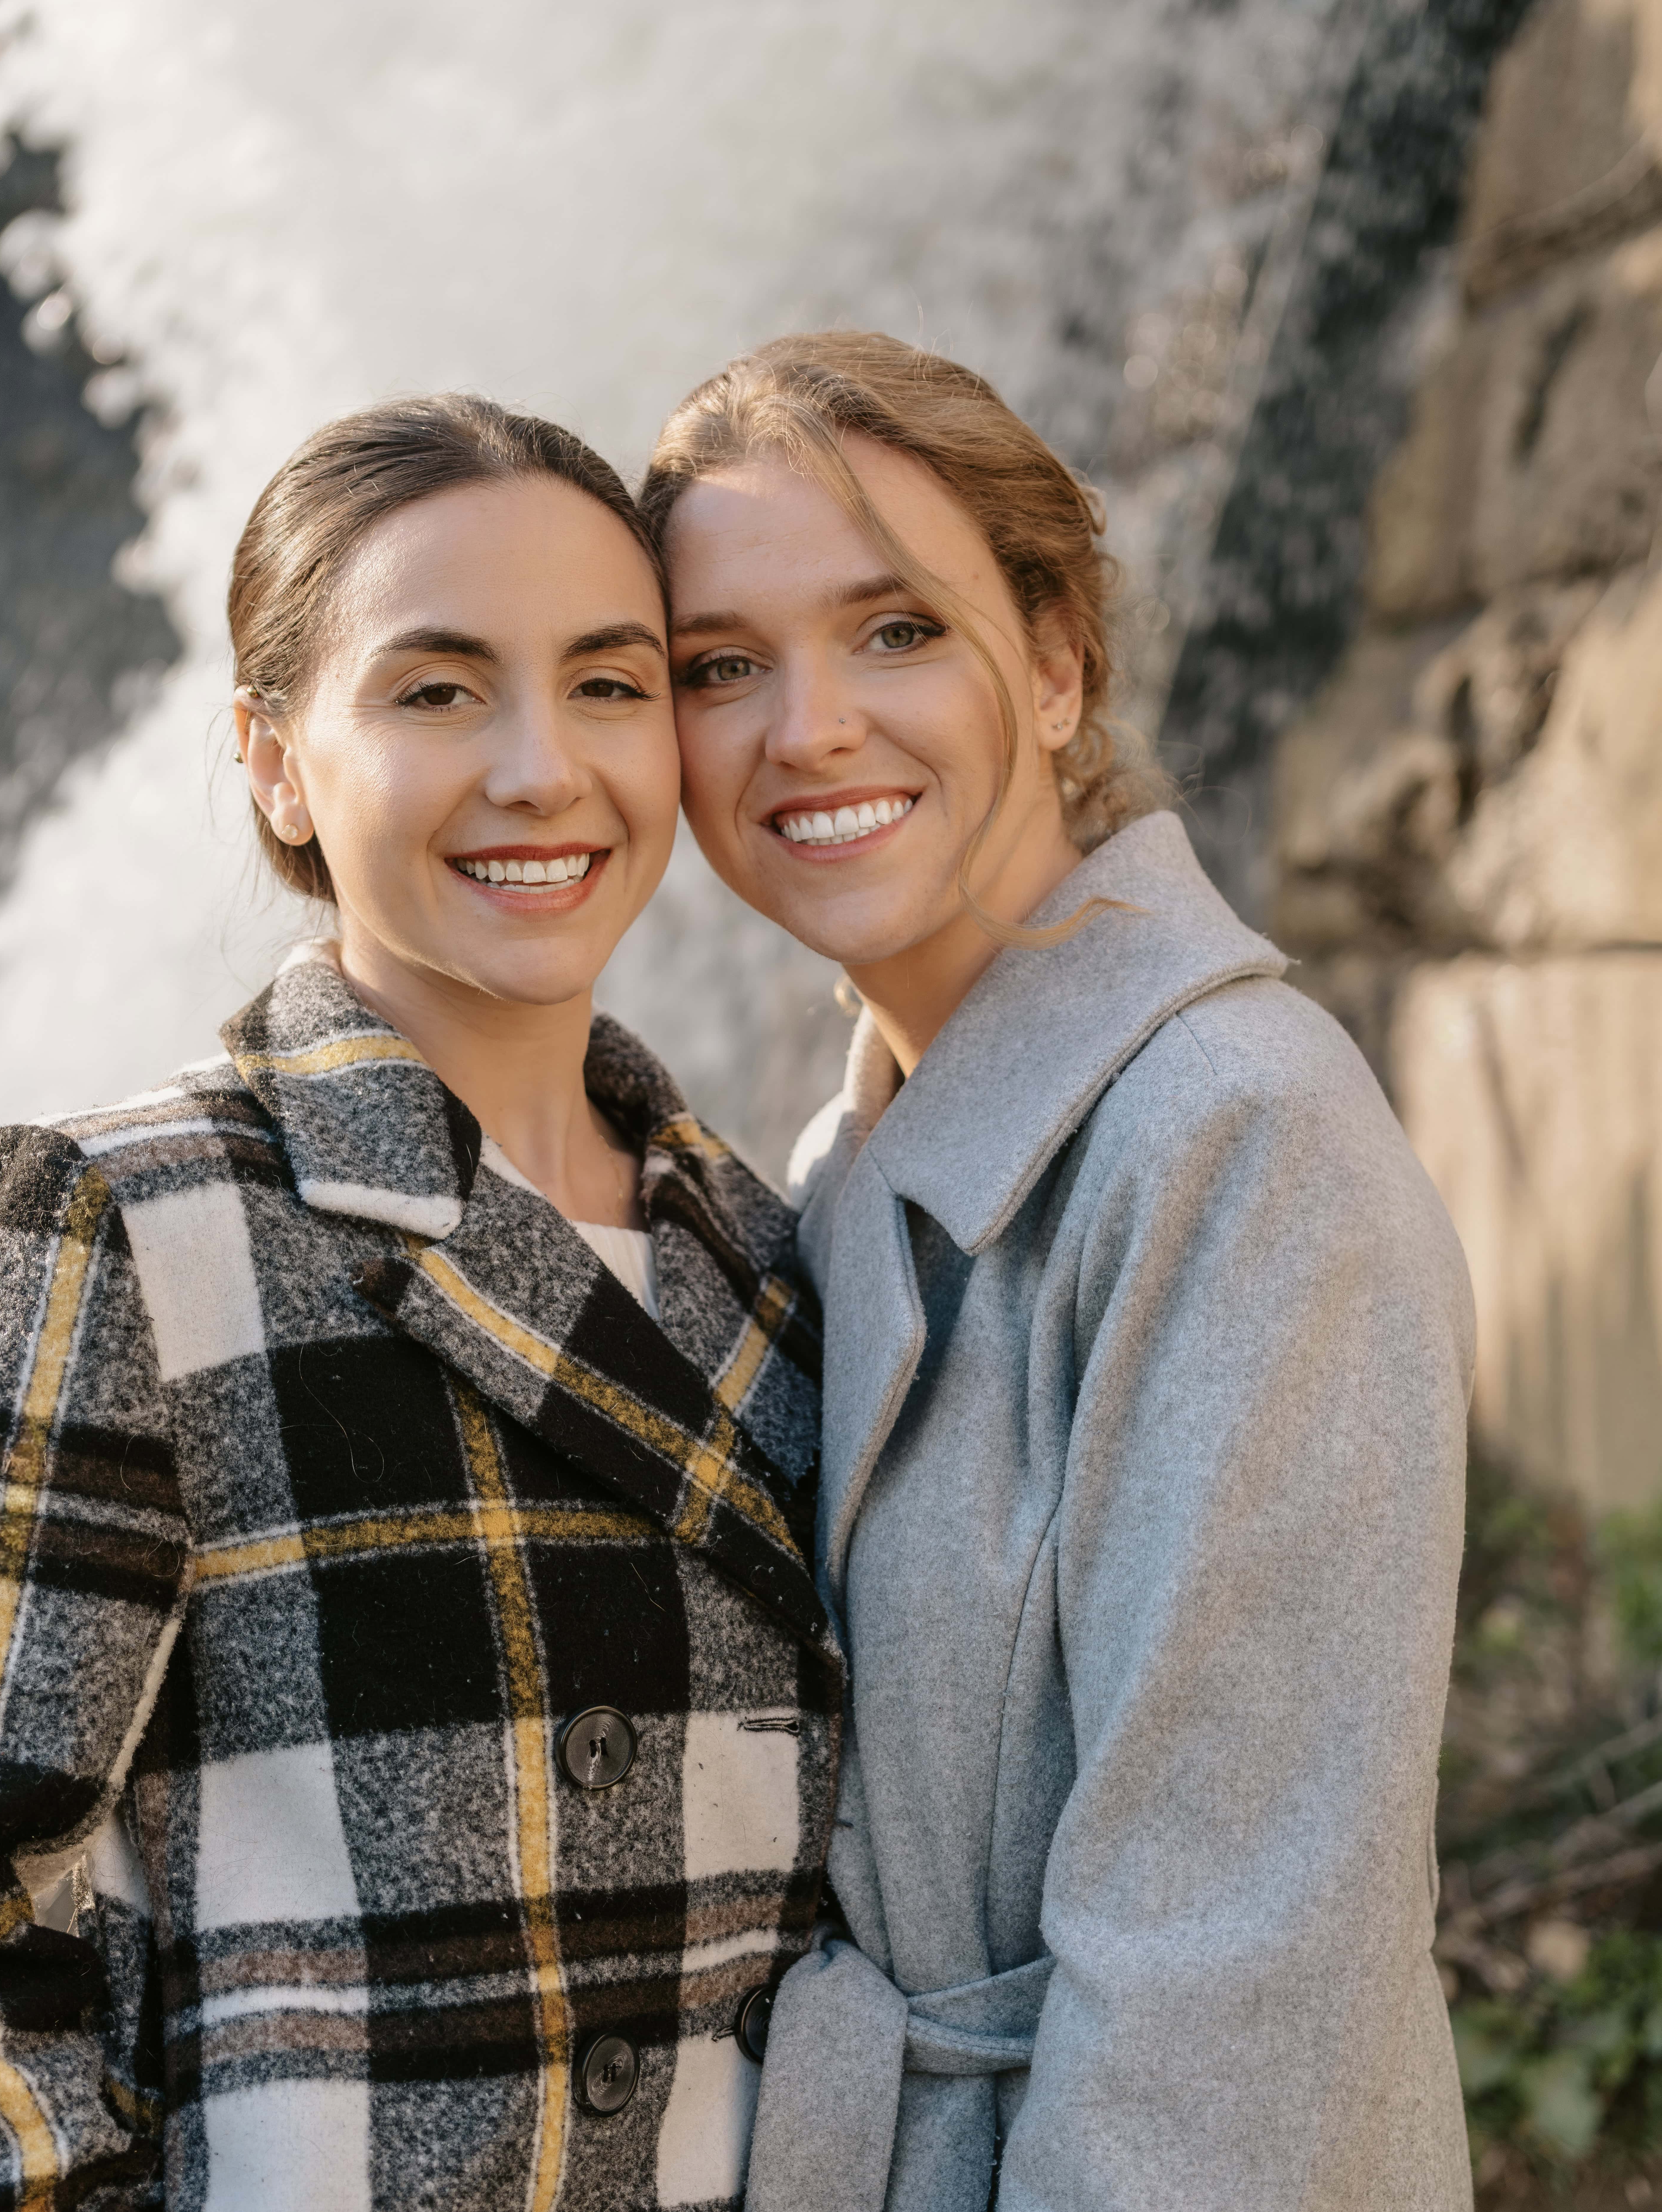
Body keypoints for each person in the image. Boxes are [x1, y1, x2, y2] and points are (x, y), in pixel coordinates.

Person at [0, 395, 839, 2212]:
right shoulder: (130, 1218)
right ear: (277, 761)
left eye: (609, 684)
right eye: (438, 691)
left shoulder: (766, 1249)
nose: (540, 770)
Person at [643, 332, 1476, 2212]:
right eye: (721, 668)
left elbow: (1230, 2004)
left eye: (897, 632)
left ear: (1055, 655)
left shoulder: (1236, 1139)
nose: (811, 727)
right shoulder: (844, 1163)